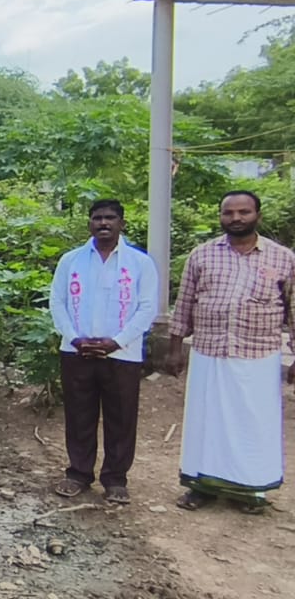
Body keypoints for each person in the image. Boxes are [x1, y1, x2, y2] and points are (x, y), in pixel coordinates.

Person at [170, 190, 295, 515]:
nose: (236, 218)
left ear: (258, 215)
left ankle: (250, 490)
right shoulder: (203, 254)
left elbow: (293, 309)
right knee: (205, 422)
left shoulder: (283, 258)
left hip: (259, 355)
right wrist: (174, 348)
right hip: (209, 352)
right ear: (220, 216)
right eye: (229, 213)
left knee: (254, 424)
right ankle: (202, 487)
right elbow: (184, 303)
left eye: (244, 212)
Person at [48, 199, 158, 504]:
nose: (103, 223)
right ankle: (78, 474)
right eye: (97, 218)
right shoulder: (71, 261)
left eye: (110, 218)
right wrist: (74, 339)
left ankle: (115, 479)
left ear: (122, 223)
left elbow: (147, 307)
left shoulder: (139, 263)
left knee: (121, 418)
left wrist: (117, 341)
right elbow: (57, 302)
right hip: (77, 351)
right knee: (79, 413)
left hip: (122, 354)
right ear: (89, 223)